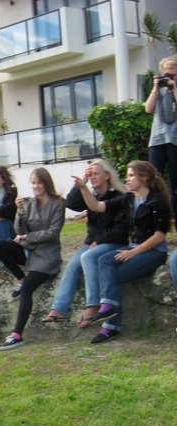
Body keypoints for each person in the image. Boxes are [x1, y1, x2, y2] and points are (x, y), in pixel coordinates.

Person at [76, 160, 172, 344]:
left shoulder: (157, 201)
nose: (126, 180)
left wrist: (132, 253)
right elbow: (97, 206)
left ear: (143, 178)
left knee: (110, 273)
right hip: (133, 248)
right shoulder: (129, 198)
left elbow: (159, 236)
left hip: (153, 252)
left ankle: (109, 325)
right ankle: (109, 317)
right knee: (105, 262)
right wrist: (83, 188)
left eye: (131, 176)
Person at [41, 159, 129, 326]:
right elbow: (71, 203)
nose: (93, 177)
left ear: (107, 176)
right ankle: (58, 309)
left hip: (114, 243)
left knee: (87, 257)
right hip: (94, 243)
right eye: (91, 174)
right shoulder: (91, 196)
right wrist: (83, 181)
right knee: (72, 265)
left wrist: (99, 241)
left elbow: (120, 230)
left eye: (96, 174)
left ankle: (93, 305)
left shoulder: (119, 197)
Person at [0, 167, 65, 350]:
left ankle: (17, 334)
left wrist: (28, 238)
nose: (36, 186)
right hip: (30, 251)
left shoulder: (58, 203)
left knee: (26, 291)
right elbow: (20, 231)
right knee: (0, 245)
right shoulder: (29, 203)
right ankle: (21, 277)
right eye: (33, 183)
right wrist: (19, 211)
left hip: (46, 256)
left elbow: (53, 233)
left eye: (39, 183)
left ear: (46, 183)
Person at [145, 57, 177, 215]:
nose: (169, 78)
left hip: (175, 140)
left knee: (174, 183)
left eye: (172, 75)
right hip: (157, 139)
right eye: (167, 75)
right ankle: (157, 217)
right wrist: (155, 87)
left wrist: (174, 88)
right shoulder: (159, 88)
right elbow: (148, 109)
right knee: (154, 179)